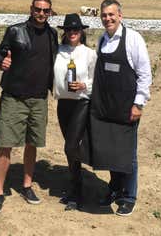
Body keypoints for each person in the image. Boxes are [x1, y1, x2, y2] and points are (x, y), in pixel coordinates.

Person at [0, 0, 58, 217]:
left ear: (50, 12)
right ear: (31, 9)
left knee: (32, 143)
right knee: (6, 143)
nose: (41, 14)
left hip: (38, 99)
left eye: (46, 11)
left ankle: (27, 186)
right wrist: (1, 61)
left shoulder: (52, 34)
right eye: (38, 9)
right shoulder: (15, 30)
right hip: (14, 97)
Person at [89, 0, 152, 216]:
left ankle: (129, 196)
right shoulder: (102, 40)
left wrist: (138, 103)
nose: (107, 19)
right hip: (106, 108)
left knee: (128, 154)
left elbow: (145, 74)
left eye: (111, 15)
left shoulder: (134, 39)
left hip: (127, 108)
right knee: (110, 151)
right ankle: (114, 189)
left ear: (120, 16)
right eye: (104, 15)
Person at [53, 13, 97, 211]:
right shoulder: (58, 51)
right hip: (63, 104)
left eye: (76, 29)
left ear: (81, 32)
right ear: (64, 32)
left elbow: (96, 81)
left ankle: (76, 191)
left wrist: (84, 84)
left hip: (81, 103)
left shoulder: (89, 53)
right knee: (70, 147)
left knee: (70, 146)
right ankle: (76, 183)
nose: (72, 32)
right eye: (69, 29)